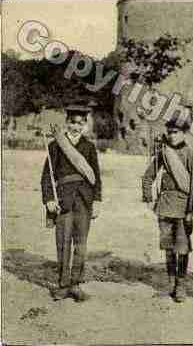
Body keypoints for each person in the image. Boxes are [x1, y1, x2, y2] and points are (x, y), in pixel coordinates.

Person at [40, 104, 102, 302]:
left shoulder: (89, 147)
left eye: (80, 123)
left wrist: (98, 200)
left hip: (84, 200)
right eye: (72, 122)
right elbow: (46, 177)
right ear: (67, 123)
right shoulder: (55, 145)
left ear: (85, 125)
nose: (76, 127)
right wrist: (49, 199)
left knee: (81, 246)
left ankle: (75, 284)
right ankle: (63, 284)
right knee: (63, 244)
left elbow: (96, 177)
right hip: (63, 201)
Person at [142, 105, 193, 303]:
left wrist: (191, 210)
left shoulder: (190, 155)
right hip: (165, 207)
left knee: (182, 248)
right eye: (169, 132)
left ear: (184, 133)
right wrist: (149, 199)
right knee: (168, 247)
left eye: (176, 132)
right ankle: (171, 283)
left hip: (183, 208)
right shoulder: (163, 153)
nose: (172, 136)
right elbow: (147, 177)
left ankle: (181, 285)